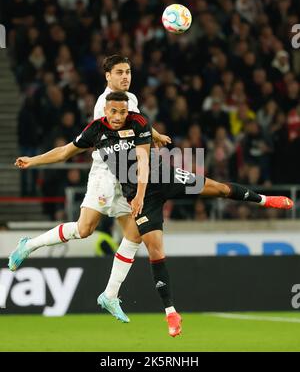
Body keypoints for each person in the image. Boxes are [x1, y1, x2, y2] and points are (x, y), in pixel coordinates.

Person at [11, 92, 293, 337]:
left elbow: (144, 162)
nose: (119, 115)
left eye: (123, 111)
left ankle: (265, 199)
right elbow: (64, 152)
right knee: (155, 249)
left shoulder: (139, 123)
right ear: (105, 111)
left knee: (216, 188)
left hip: (161, 179)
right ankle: (170, 312)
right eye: (114, 111)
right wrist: (32, 160)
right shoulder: (95, 130)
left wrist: (141, 194)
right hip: (141, 198)